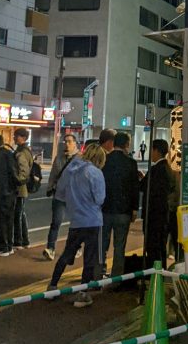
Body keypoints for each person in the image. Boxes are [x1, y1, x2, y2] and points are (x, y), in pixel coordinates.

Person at [47, 143, 106, 307]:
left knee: (67, 254)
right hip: (93, 220)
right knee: (89, 258)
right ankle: (82, 294)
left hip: (76, 220)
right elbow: (100, 199)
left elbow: (61, 192)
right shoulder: (95, 173)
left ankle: (52, 285)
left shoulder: (72, 170)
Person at [100, 131, 139, 284]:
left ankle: (98, 275)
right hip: (124, 211)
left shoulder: (105, 160)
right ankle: (116, 279)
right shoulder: (131, 163)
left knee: (102, 244)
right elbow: (134, 188)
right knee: (119, 246)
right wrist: (134, 209)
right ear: (126, 144)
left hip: (105, 209)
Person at [140, 138, 176, 268]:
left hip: (153, 216)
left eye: (151, 150)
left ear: (156, 151)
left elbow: (144, 187)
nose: (150, 153)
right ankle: (161, 272)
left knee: (153, 248)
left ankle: (153, 274)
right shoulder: (168, 169)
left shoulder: (156, 170)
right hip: (163, 215)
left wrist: (142, 180)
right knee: (161, 247)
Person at [43, 133, 78, 260]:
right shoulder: (59, 158)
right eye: (65, 141)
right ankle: (50, 248)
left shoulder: (80, 158)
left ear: (75, 143)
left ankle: (76, 247)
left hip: (75, 196)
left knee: (76, 223)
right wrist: (50, 188)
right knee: (56, 222)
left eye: (69, 141)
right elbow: (53, 174)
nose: (67, 144)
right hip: (60, 195)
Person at [13, 127, 33, 249]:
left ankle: (18, 241)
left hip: (20, 188)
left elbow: (24, 170)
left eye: (17, 136)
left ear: (23, 138)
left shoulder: (22, 152)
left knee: (17, 214)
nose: (14, 138)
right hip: (22, 187)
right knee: (20, 213)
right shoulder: (25, 150)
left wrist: (17, 181)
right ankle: (24, 240)